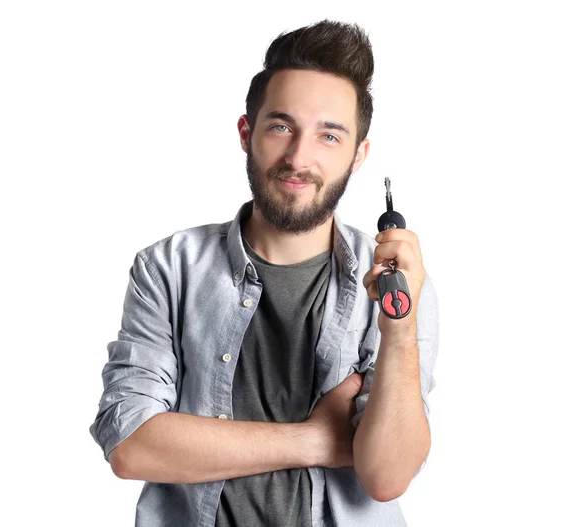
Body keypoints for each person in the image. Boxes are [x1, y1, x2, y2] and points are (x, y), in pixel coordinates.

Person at [89, 19, 439, 527]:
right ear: (246, 133)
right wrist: (316, 440)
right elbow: (131, 446)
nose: (300, 157)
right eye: (281, 126)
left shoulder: (397, 284)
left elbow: (386, 475)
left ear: (358, 154)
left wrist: (400, 330)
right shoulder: (168, 269)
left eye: (329, 135)